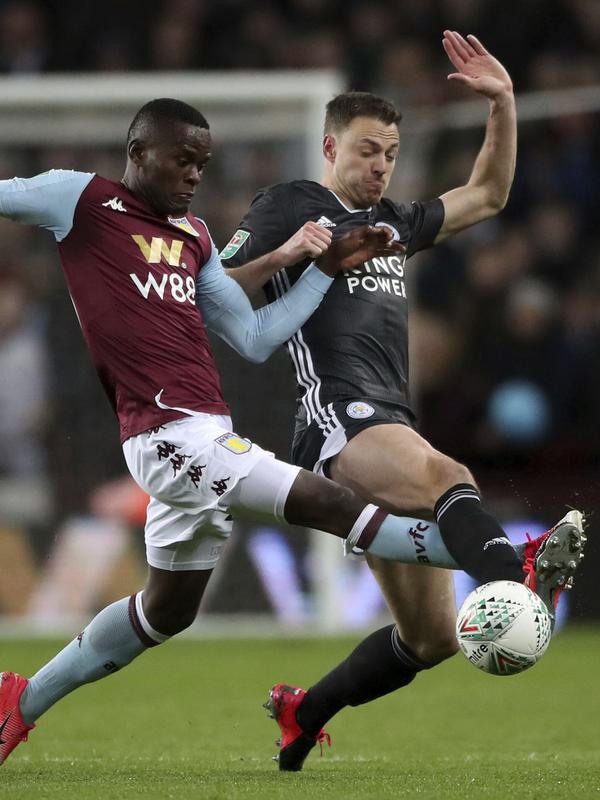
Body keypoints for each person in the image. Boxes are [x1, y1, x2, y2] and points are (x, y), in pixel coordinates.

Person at [0, 96, 565, 767]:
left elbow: (257, 335)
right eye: (181, 160)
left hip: (204, 429)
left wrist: (319, 268)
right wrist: (290, 246)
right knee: (333, 504)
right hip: (167, 434)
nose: (193, 176)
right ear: (139, 151)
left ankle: (20, 701)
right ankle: (506, 564)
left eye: (202, 165)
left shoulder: (195, 237)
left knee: (165, 612)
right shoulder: (82, 199)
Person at [222, 31, 587, 771]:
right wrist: (292, 254)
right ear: (329, 147)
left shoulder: (393, 225)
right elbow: (219, 288)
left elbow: (487, 194)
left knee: (430, 640)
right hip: (340, 423)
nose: (379, 164)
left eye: (388, 151)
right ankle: (511, 574)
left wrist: (504, 104)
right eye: (365, 150)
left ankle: (305, 711)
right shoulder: (293, 203)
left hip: (393, 422)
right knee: (452, 478)